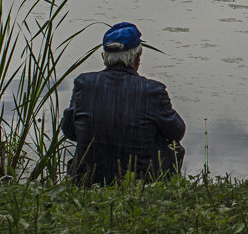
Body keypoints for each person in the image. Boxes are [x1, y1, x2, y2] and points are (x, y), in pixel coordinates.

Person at [61, 22, 186, 184]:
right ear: (138, 57)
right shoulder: (153, 91)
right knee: (174, 147)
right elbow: (177, 132)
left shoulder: (83, 84)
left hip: (89, 178)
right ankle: (161, 186)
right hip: (139, 181)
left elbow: (70, 131)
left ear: (104, 57)